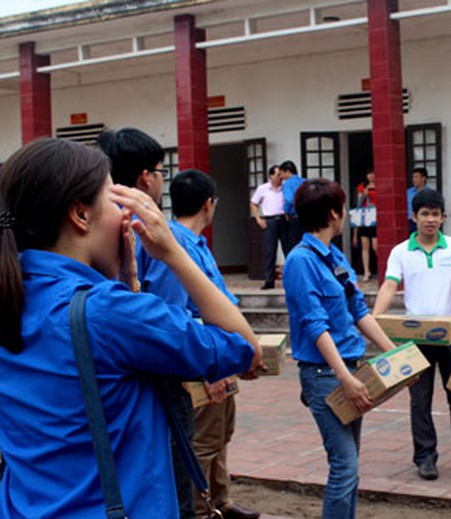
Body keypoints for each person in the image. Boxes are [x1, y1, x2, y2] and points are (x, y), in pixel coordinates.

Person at [0, 138, 261, 517]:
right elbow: (244, 346)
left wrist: (125, 289)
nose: (126, 214)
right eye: (115, 199)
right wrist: (172, 250)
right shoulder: (109, 312)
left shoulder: (19, 295)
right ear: (80, 214)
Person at [97, 127, 198, 517]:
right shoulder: (158, 235)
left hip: (104, 381)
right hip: (156, 379)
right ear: (145, 177)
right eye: (160, 171)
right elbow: (175, 327)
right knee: (171, 487)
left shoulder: (90, 232)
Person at [283, 178, 397, 519]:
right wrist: (344, 376)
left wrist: (396, 353)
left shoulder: (333, 256)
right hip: (326, 375)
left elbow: (358, 310)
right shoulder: (301, 262)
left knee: (350, 467)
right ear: (334, 213)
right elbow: (315, 326)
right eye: (343, 207)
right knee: (344, 467)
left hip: (351, 368)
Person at [374, 189, 451, 481]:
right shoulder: (400, 251)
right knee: (420, 401)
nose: (430, 220)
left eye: (435, 214)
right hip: (416, 339)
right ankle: (425, 458)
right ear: (413, 217)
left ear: (443, 217)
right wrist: (376, 320)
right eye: (424, 214)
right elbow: (389, 287)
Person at [167, 169, 260, 519]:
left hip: (220, 353)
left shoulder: (197, 244)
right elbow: (176, 316)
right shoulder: (173, 247)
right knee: (202, 442)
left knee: (222, 432)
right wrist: (207, 369)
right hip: (202, 362)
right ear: (209, 204)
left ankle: (221, 499)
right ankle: (200, 509)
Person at [250, 165, 285, 289]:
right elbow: (254, 203)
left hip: (284, 219)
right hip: (270, 220)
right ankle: (269, 280)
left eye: (281, 174)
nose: (280, 177)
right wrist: (258, 218)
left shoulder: (285, 188)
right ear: (271, 176)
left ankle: (290, 279)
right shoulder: (263, 189)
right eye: (277, 175)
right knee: (270, 251)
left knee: (288, 250)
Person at [351, 168, 378, 281]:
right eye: (369, 173)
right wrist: (364, 195)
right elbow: (358, 204)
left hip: (376, 218)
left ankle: (382, 268)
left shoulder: (380, 185)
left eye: (372, 173)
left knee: (375, 246)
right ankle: (367, 271)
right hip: (364, 218)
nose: (371, 176)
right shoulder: (362, 187)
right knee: (365, 245)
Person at [279, 160, 304, 254]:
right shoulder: (304, 181)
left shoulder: (288, 183)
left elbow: (289, 199)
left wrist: (286, 210)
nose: (281, 176)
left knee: (293, 244)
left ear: (288, 171)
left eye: (281, 173)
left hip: (295, 217)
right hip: (307, 217)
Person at [406, 167, 431, 234]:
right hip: (410, 221)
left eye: (416, 177)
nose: (414, 179)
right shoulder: (408, 192)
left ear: (423, 178)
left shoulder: (430, 193)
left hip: (424, 220)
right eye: (413, 177)